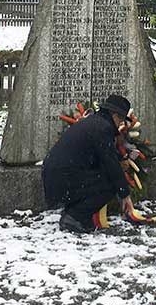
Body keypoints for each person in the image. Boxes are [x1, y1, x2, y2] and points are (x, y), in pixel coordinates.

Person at [42, 94, 135, 234]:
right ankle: (73, 217)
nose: (120, 124)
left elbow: (101, 155)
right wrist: (124, 194)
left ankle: (76, 215)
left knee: (101, 179)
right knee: (110, 184)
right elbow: (110, 163)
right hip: (63, 179)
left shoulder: (95, 122)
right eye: (121, 120)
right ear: (115, 116)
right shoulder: (103, 127)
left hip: (56, 176)